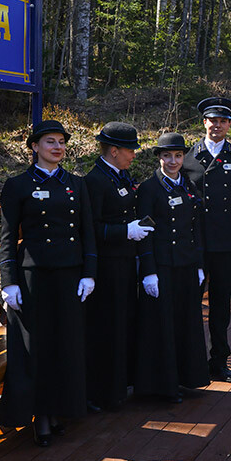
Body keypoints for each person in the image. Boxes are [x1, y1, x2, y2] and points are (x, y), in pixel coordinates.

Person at [0, 120, 97, 446]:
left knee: (65, 345)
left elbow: (88, 234)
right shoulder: (17, 185)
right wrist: (9, 281)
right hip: (32, 277)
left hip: (69, 275)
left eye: (62, 142)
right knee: (34, 348)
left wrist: (89, 273)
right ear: (35, 147)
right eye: (50, 141)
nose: (58, 147)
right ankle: (39, 417)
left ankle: (59, 410)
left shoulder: (76, 184)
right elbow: (7, 239)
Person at [83, 122, 153, 412]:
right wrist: (124, 231)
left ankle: (120, 385)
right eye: (129, 150)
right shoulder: (95, 181)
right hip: (108, 266)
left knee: (124, 323)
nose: (133, 155)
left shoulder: (122, 176)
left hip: (126, 263)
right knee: (106, 328)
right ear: (113, 151)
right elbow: (92, 228)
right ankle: (101, 391)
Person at [135, 133, 210, 402]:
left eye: (178, 156)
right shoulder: (149, 189)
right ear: (159, 158)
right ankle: (163, 386)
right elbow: (145, 232)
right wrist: (148, 271)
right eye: (167, 156)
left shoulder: (188, 185)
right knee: (162, 326)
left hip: (186, 264)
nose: (173, 161)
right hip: (162, 266)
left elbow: (195, 228)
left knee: (185, 323)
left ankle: (186, 378)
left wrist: (199, 264)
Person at [184, 97, 231, 383]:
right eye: (213, 120)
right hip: (197, 244)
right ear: (204, 123)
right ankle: (192, 361)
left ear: (229, 125)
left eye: (223, 121)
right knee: (191, 303)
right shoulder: (188, 157)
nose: (217, 125)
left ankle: (219, 361)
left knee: (221, 305)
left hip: (226, 243)